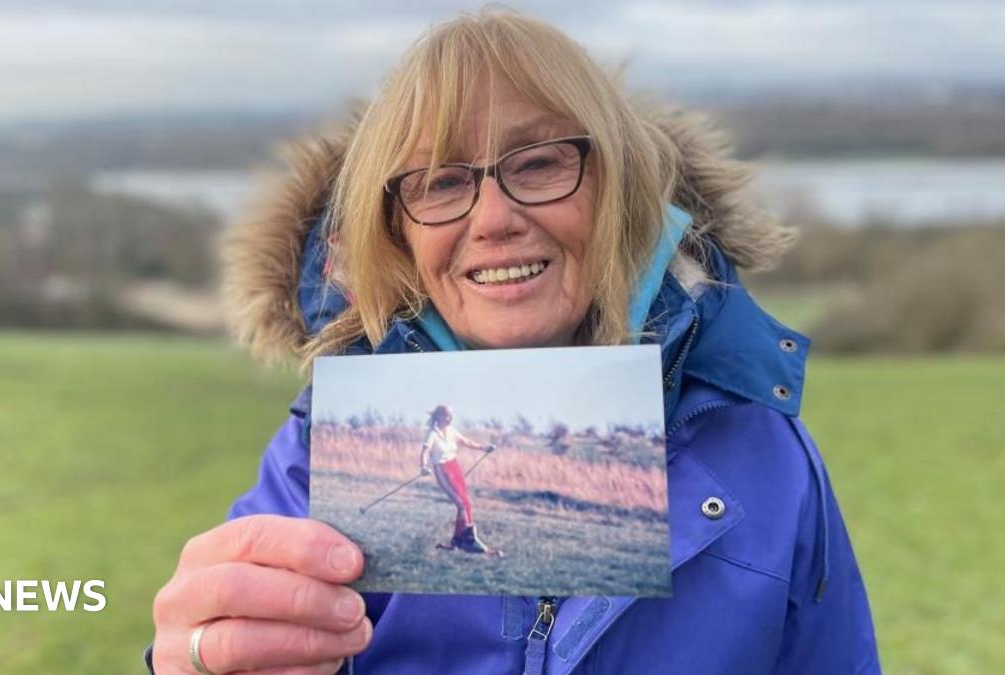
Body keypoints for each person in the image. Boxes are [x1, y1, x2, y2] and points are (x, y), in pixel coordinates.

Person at [148, 9, 880, 675]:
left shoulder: (762, 450)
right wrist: (192, 657)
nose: (493, 218)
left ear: (617, 188)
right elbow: (222, 642)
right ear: (395, 230)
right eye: (439, 181)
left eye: (540, 162)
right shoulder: (323, 451)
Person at [418, 404, 496, 553]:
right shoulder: (432, 434)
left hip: (455, 467)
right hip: (442, 470)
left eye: (451, 415)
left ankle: (461, 539)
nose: (450, 418)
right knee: (460, 504)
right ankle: (466, 539)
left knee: (466, 502)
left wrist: (484, 448)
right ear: (439, 416)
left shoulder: (452, 431)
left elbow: (467, 442)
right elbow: (425, 451)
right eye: (447, 415)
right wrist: (423, 466)